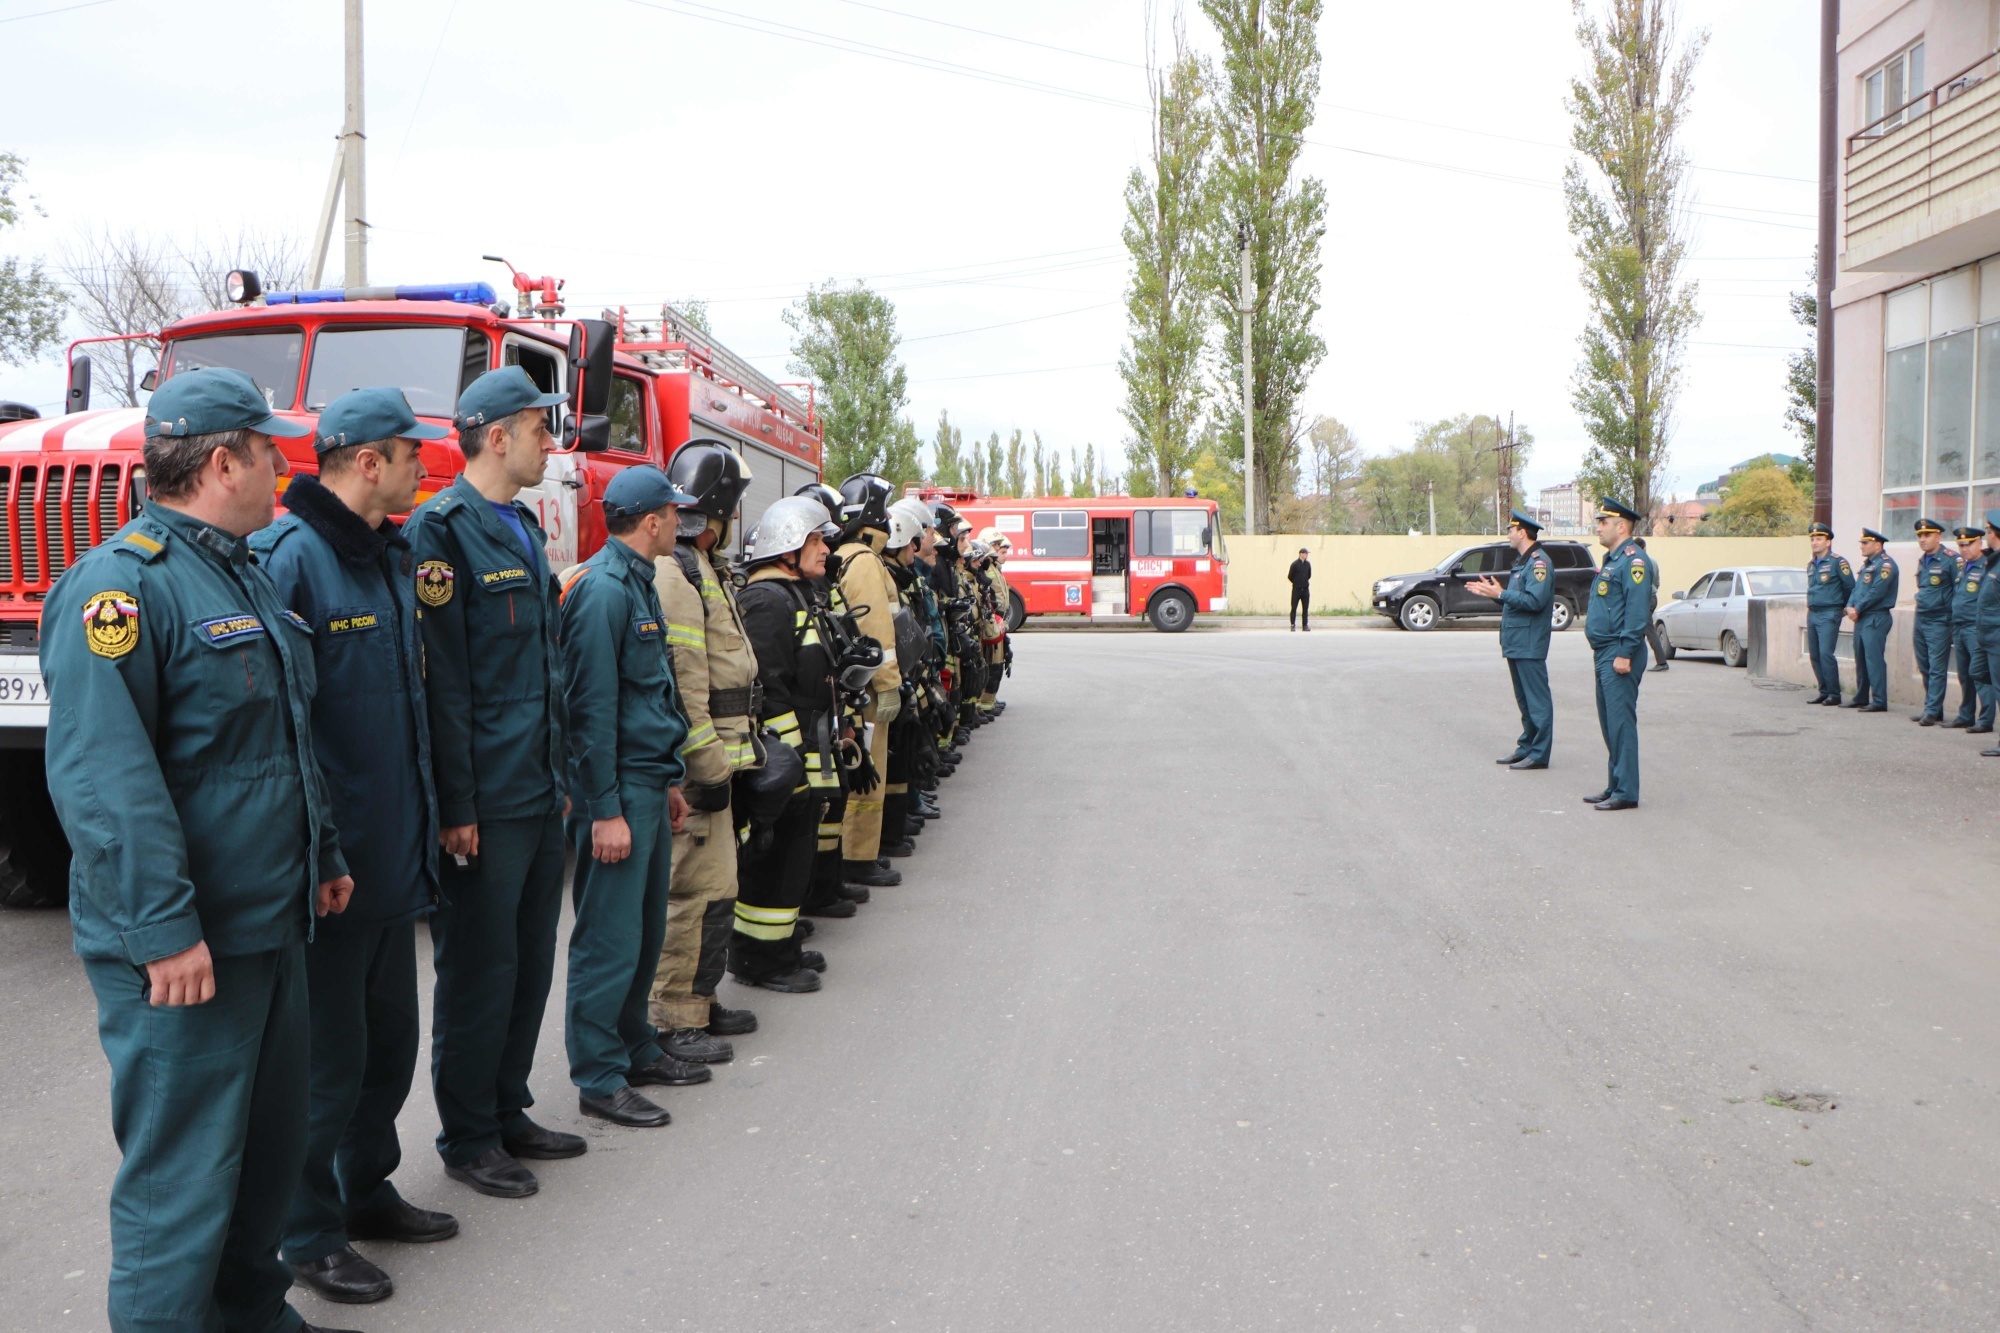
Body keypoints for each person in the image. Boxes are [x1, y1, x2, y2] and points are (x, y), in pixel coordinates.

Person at [41, 367, 359, 1333]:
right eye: (270, 451)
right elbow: (105, 779)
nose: (283, 467)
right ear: (224, 461)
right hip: (189, 946)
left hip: (268, 921)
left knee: (266, 1152)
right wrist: (163, 928)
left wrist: (327, 854)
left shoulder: (241, 569)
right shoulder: (120, 586)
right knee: (181, 1176)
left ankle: (249, 1311)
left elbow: (283, 741)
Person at [252, 387, 457, 1306]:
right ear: (367, 462)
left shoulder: (389, 552)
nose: (423, 466)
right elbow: (283, 725)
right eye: (412, 452)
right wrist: (321, 852)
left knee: (388, 1047)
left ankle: (366, 1188)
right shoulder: (295, 559)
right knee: (326, 1068)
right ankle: (308, 1230)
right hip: (336, 871)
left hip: (393, 852)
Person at [403, 366, 579, 1200]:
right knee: (478, 971)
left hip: (539, 790)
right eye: (540, 427)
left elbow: (541, 670)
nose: (552, 440)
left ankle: (506, 1107)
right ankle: (468, 1135)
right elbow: (443, 683)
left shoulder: (516, 525)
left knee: (528, 964)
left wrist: (566, 775)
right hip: (488, 801)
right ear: (496, 435)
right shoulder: (440, 532)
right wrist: (458, 805)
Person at [557, 466, 703, 1128]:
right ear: (651, 521)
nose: (680, 523)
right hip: (617, 795)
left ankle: (637, 1047)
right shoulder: (605, 592)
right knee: (608, 940)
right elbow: (589, 710)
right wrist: (606, 807)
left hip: (647, 784)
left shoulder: (636, 583)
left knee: (642, 934)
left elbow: (650, 697)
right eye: (674, 514)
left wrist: (669, 779)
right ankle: (598, 1073)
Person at [650, 441, 772, 1042]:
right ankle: (673, 1016)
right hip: (702, 767)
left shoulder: (706, 571)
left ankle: (700, 998)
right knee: (690, 893)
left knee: (719, 887)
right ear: (715, 510)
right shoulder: (675, 577)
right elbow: (686, 687)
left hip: (722, 760)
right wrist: (707, 768)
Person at [733, 495, 847, 988]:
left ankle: (781, 945)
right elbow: (768, 692)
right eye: (816, 539)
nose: (825, 549)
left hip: (805, 752)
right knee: (776, 857)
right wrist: (791, 764)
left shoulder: (796, 594)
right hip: (784, 759)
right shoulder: (765, 601)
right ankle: (761, 961)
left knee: (797, 852)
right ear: (787, 546)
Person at [833, 473, 905, 886]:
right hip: (871, 691)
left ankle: (858, 855)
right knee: (867, 771)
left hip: (861, 686)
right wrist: (889, 682)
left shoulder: (851, 555)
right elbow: (877, 629)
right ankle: (858, 856)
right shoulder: (863, 561)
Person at [1582, 498, 1656, 811]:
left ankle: (1626, 791)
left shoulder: (1633, 561)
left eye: (1603, 522)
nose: (1598, 527)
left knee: (1621, 723)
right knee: (1609, 722)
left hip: (1618, 650)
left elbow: (1637, 612)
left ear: (1621, 526)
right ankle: (1615, 783)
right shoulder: (1612, 560)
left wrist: (1625, 652)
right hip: (1605, 650)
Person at [1467, 509, 1554, 769]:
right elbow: (1516, 601)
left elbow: (1535, 602)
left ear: (1522, 533)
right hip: (1517, 641)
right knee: (1524, 700)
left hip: (1529, 642)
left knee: (1537, 701)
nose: (1507, 534)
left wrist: (1502, 594)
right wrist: (1495, 594)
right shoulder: (1523, 563)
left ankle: (1539, 753)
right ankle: (1526, 746)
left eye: (1510, 530)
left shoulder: (1539, 563)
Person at [1843, 526, 1898, 712]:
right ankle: (1861, 696)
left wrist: (1857, 608)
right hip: (1861, 617)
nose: (1862, 547)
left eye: (1865, 543)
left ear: (1878, 544)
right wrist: (1849, 607)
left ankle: (1879, 700)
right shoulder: (1867, 565)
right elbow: (1856, 589)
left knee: (1874, 660)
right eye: (1862, 543)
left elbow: (1877, 592)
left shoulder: (1886, 565)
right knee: (1861, 659)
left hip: (1876, 617)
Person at [1946, 526, 1995, 733]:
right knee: (1964, 674)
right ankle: (1966, 715)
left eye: (1968, 544)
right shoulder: (1962, 566)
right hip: (1959, 626)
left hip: (1976, 628)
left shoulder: (1987, 566)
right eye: (1961, 545)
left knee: (1980, 675)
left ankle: (1985, 720)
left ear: (1980, 543)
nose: (1964, 548)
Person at [1910, 517, 1957, 725]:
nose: (1923, 539)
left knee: (1937, 668)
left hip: (1940, 620)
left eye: (1927, 535)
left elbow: (1959, 592)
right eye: (1920, 535)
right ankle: (1933, 708)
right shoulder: (1923, 560)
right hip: (1921, 618)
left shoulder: (1951, 559)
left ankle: (1932, 710)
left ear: (1939, 536)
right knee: (1925, 666)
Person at [1803, 521, 1853, 705]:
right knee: (1814, 655)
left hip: (1829, 612)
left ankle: (1834, 693)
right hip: (1813, 612)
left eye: (1819, 539)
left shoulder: (1838, 562)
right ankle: (1823, 691)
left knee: (1825, 653)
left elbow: (1850, 587)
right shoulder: (1811, 564)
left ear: (1828, 542)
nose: (1815, 542)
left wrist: (1844, 608)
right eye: (1813, 539)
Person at [1976, 512, 2000, 757]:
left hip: (1997, 635)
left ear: (1994, 534)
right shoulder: (1992, 561)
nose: (1985, 535)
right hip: (1986, 634)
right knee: (1978, 673)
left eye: (1987, 531)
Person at [1287, 548, 1312, 631]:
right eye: (1305, 553)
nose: (1306, 555)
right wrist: (1296, 583)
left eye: (1307, 554)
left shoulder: (1308, 564)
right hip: (1296, 590)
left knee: (1305, 608)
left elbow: (1309, 575)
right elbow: (1290, 576)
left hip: (1305, 589)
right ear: (1301, 554)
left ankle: (1305, 625)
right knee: (1294, 607)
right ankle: (1293, 624)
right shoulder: (1294, 564)